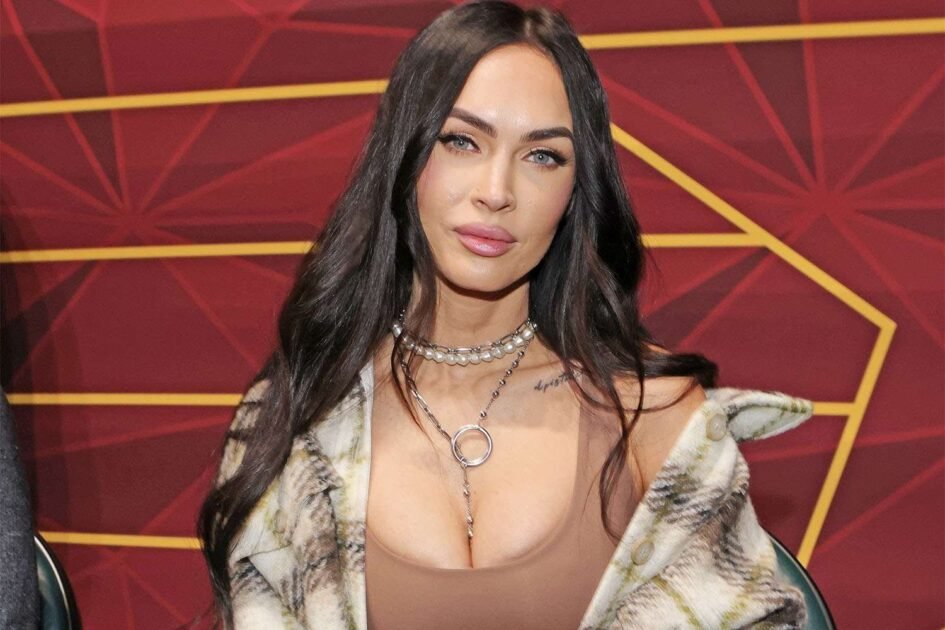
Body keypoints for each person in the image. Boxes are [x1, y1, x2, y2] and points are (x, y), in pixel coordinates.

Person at [198, 2, 815, 628]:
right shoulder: (299, 418)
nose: (496, 192)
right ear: (404, 158)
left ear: (576, 192)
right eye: (461, 141)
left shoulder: (655, 415)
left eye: (543, 156)